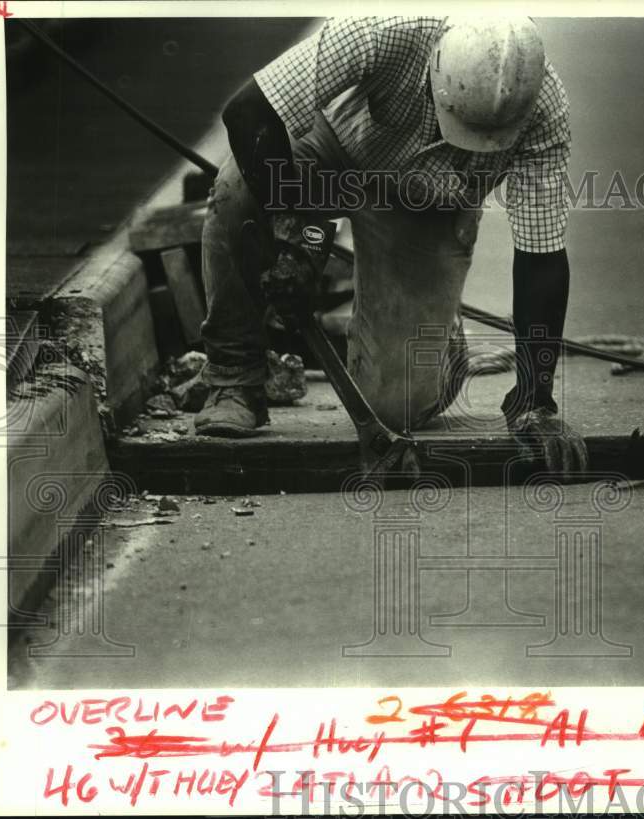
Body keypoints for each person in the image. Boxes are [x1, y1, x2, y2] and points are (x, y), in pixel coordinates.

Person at [195, 15, 588, 477]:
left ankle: (443, 347)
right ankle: (234, 377)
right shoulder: (382, 29)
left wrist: (535, 398)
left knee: (395, 407)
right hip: (333, 152)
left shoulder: (545, 110)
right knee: (236, 188)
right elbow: (248, 112)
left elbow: (541, 255)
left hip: (426, 203)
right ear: (434, 73)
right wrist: (292, 232)